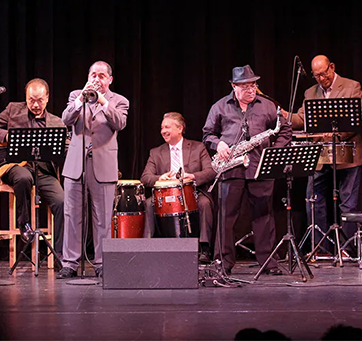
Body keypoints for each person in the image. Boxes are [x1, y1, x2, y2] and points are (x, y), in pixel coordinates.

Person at [202, 64, 292, 275]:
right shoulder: (220, 107)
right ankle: (223, 263)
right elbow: (208, 135)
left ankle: (268, 262)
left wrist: (274, 154)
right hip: (230, 169)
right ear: (234, 86)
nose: (251, 90)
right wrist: (219, 144)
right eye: (245, 86)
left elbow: (285, 129)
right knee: (227, 217)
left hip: (260, 167)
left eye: (253, 85)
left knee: (264, 215)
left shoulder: (268, 106)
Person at [285, 55, 362, 256]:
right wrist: (281, 113)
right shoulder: (310, 92)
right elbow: (300, 119)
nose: (322, 79)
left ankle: (347, 250)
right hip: (320, 156)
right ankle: (320, 249)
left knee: (348, 203)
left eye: (324, 74)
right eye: (317, 76)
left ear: (332, 67)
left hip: (347, 153)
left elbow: (361, 117)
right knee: (313, 200)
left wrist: (338, 133)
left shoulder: (351, 86)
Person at [57, 61, 129, 279]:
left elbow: (119, 123)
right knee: (72, 216)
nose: (97, 79)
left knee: (103, 218)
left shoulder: (119, 101)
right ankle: (70, 262)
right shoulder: (76, 96)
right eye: (93, 75)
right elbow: (66, 119)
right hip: (76, 165)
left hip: (103, 166)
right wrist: (82, 98)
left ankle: (101, 262)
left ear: (109, 79)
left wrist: (102, 100)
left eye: (101, 75)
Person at [0, 78, 66, 256]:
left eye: (40, 100)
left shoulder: (56, 122)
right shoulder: (13, 109)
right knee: (23, 177)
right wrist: (6, 136)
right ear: (26, 98)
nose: (35, 104)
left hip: (43, 171)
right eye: (31, 100)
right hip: (15, 166)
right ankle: (24, 223)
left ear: (47, 98)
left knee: (62, 202)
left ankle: (60, 255)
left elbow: (66, 148)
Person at [140, 112, 216, 263]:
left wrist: (193, 176)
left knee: (204, 203)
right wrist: (159, 178)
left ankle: (204, 248)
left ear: (179, 128)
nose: (163, 131)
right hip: (166, 195)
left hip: (193, 191)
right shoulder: (156, 152)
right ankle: (146, 246)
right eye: (162, 128)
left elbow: (211, 171)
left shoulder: (197, 147)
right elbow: (145, 177)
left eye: (167, 127)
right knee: (149, 203)